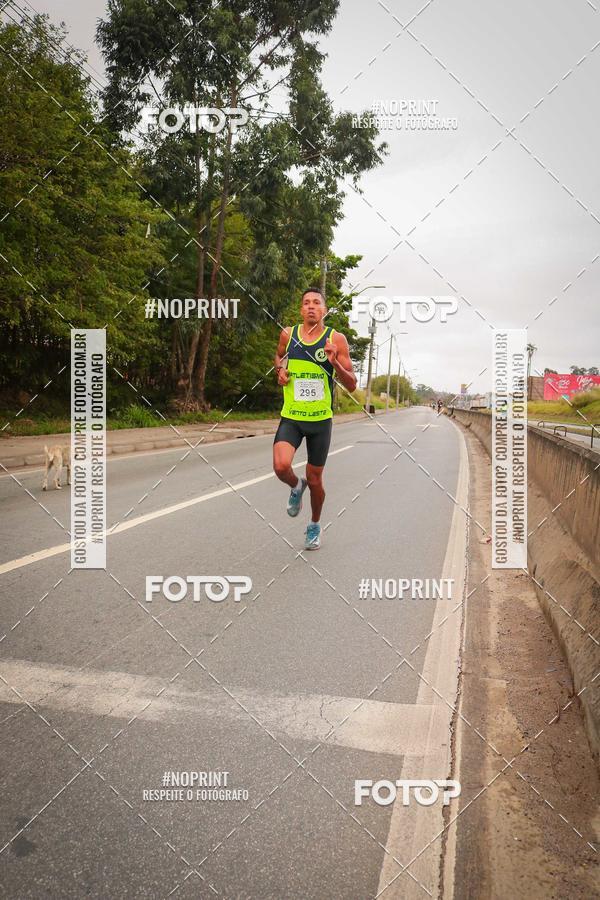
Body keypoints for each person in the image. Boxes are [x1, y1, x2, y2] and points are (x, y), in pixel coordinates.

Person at [273, 288, 357, 549]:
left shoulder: (336, 339)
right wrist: (281, 370)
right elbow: (279, 357)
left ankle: (314, 525)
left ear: (324, 310)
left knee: (317, 480)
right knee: (280, 466)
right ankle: (296, 486)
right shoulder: (289, 334)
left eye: (316, 303)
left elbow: (352, 384)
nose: (311, 306)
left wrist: (335, 364)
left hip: (320, 421)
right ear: (301, 310)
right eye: (306, 303)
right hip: (292, 417)